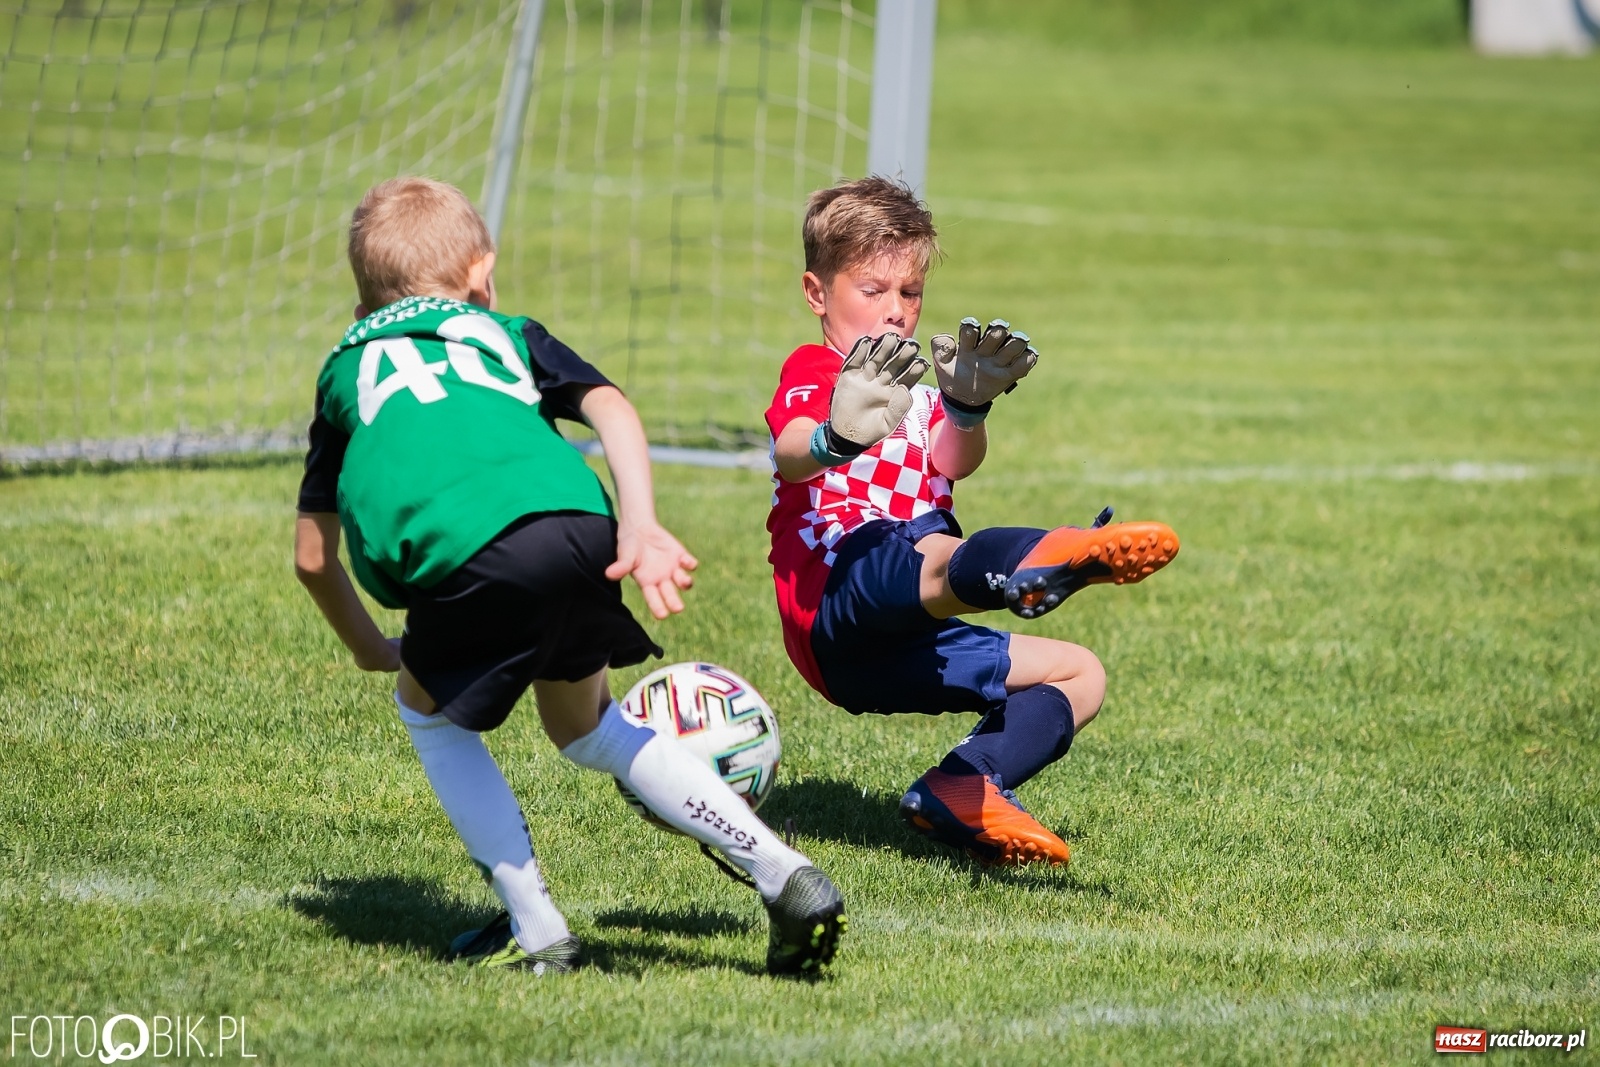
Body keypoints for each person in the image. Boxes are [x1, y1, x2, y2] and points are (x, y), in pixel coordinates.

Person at [294, 176, 844, 976]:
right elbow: (611, 406)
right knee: (587, 727)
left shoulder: (344, 371)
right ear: (482, 272)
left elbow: (312, 556)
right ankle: (778, 867)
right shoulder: (504, 330)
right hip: (581, 527)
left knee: (431, 715)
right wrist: (640, 520)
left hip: (469, 550)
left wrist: (370, 646)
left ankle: (537, 925)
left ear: (361, 308)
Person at [764, 177, 1180, 867]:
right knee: (922, 539)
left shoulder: (923, 397)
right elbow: (790, 448)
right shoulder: (819, 370)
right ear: (817, 293)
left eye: (911, 292)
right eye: (874, 290)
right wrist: (834, 437)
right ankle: (1049, 557)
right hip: (836, 599)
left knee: (1080, 675)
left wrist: (964, 410)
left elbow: (955, 460)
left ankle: (962, 784)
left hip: (896, 639)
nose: (896, 311)